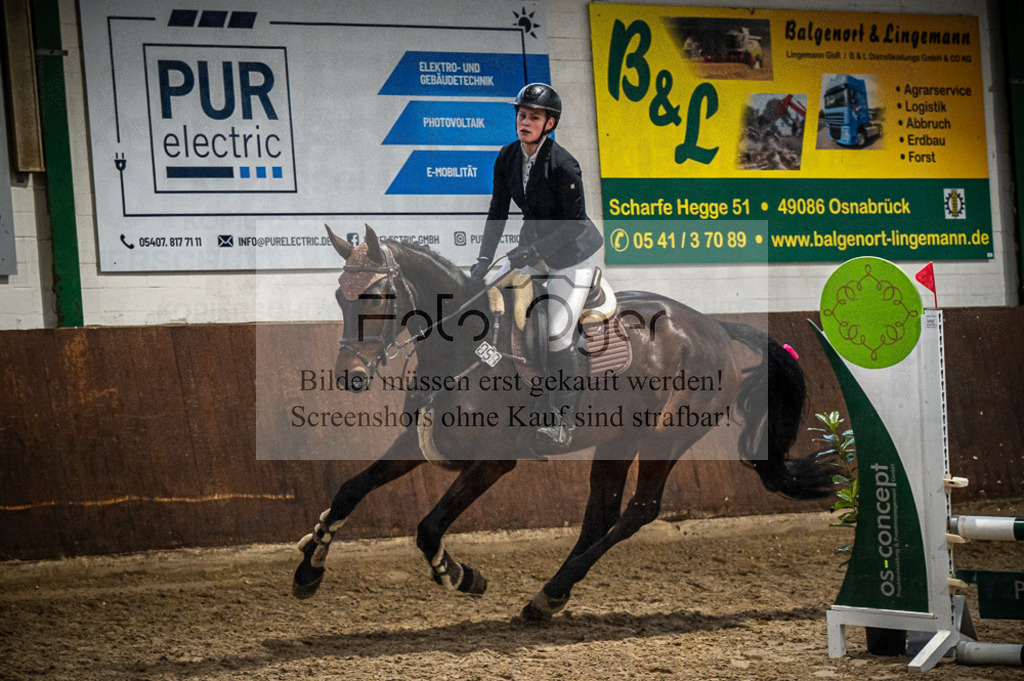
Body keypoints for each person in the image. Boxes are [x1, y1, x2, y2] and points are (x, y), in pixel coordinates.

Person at [470, 83, 603, 447]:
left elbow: (574, 225)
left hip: (572, 255)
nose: (524, 122)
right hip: (533, 247)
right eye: (522, 115)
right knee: (482, 300)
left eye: (534, 117)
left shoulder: (564, 164)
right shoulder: (508, 157)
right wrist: (483, 259)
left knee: (557, 331)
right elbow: (498, 211)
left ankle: (563, 420)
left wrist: (533, 252)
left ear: (549, 124)